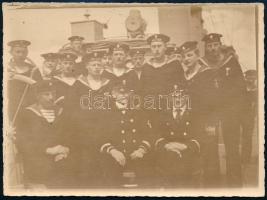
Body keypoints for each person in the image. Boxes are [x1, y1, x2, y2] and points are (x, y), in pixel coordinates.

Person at [201, 33, 247, 187]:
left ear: (219, 45)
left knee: (232, 146)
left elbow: (241, 87)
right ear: (206, 48)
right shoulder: (202, 64)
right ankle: (212, 185)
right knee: (210, 146)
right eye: (209, 46)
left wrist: (237, 109)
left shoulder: (231, 62)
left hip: (230, 110)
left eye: (215, 45)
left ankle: (235, 185)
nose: (213, 49)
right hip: (211, 112)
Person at [61, 51, 112, 187]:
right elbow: (71, 112)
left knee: (106, 168)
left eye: (99, 64)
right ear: (87, 67)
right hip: (84, 134)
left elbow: (113, 109)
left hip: (105, 132)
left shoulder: (108, 84)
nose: (97, 67)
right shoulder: (78, 86)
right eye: (93, 64)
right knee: (87, 169)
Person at [180, 41, 221, 187]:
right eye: (183, 56)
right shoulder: (184, 75)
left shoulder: (207, 73)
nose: (186, 59)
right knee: (194, 158)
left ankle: (214, 191)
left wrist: (211, 124)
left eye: (190, 55)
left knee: (210, 160)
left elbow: (215, 102)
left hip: (205, 123)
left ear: (197, 56)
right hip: (190, 123)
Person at [15, 80, 70, 188]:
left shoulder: (60, 111)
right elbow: (22, 141)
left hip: (61, 158)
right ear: (38, 96)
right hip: (37, 161)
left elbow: (68, 135)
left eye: (53, 94)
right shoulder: (27, 114)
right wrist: (48, 150)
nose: (51, 97)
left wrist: (65, 150)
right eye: (47, 94)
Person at [99, 81, 153, 188]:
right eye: (120, 93)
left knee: (149, 178)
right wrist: (113, 151)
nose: (124, 96)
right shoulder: (105, 113)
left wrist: (141, 150)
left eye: (126, 93)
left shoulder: (139, 112)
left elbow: (148, 134)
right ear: (113, 95)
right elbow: (100, 137)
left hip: (137, 154)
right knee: (109, 180)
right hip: (114, 155)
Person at [240, 69, 257, 165]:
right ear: (245, 77)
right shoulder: (241, 88)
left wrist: (253, 115)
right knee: (236, 136)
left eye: (253, 77)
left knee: (247, 137)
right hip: (238, 114)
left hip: (249, 116)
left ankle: (245, 158)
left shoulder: (257, 90)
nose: (250, 79)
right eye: (248, 77)